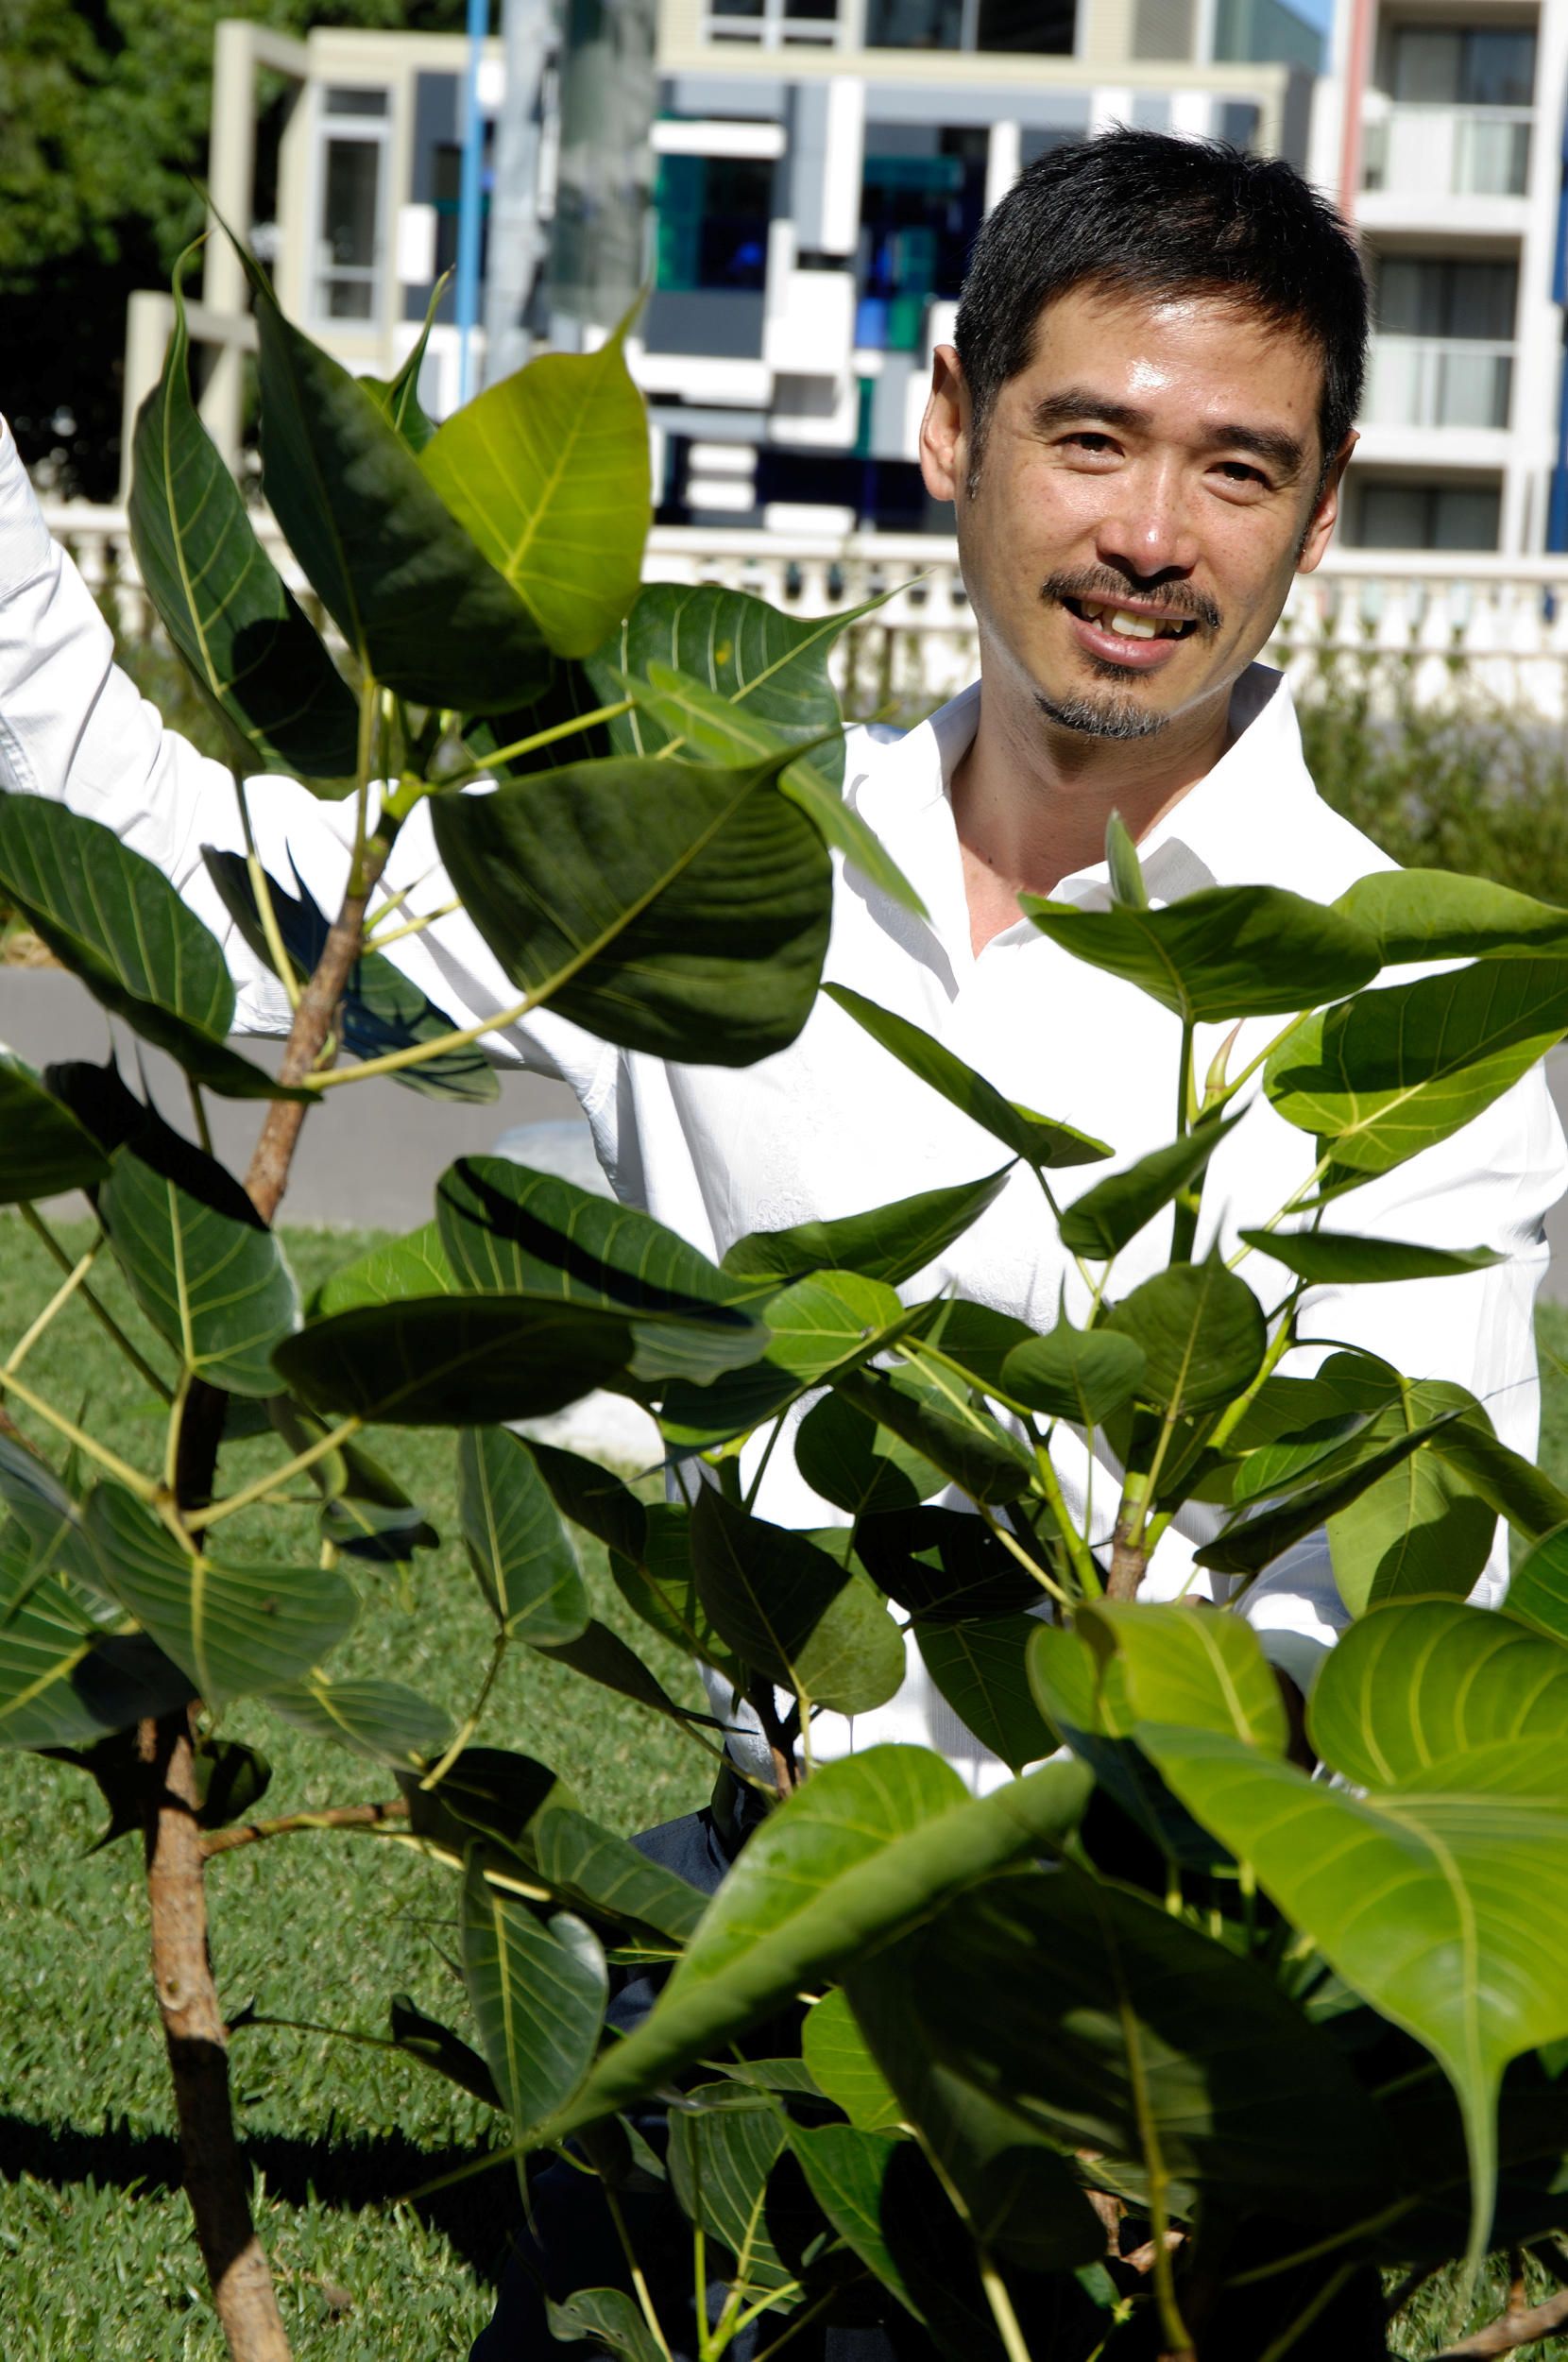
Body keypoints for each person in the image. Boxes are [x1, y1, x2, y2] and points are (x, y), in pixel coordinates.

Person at [0, 129, 1563, 2353]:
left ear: (1319, 513)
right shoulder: (711, 866)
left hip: (1144, 2030)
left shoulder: (1398, 1026)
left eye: (1233, 469)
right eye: (1088, 436)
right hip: (741, 1910)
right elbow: (213, 885)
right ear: (951, 428)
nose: (1146, 534)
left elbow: (1388, 1639)